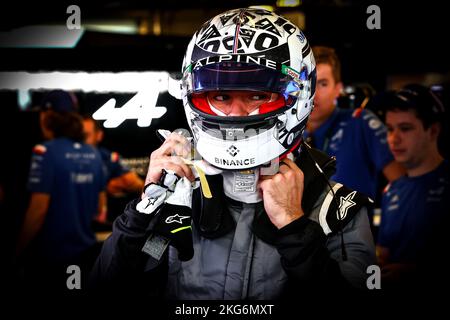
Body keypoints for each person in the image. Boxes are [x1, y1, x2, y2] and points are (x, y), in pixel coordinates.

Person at [90, 8, 376, 300]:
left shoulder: (336, 208)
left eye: (257, 96)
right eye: (221, 96)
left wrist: (295, 227)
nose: (237, 113)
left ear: (300, 95)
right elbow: (105, 289)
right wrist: (142, 210)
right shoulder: (177, 192)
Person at [16, 90, 106, 292]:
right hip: (87, 256)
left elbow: (37, 212)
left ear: (47, 116)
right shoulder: (93, 154)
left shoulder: (44, 152)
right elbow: (99, 209)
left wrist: (16, 252)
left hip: (51, 261)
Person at [303, 46, 404, 202]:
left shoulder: (360, 122)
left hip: (355, 225)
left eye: (322, 84)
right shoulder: (291, 133)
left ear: (338, 89)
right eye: (309, 83)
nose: (313, 93)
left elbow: (403, 183)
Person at [377, 84, 449, 291]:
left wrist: (415, 272)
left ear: (433, 130)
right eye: (390, 129)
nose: (394, 138)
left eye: (405, 128)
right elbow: (383, 254)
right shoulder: (392, 191)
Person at [82, 115, 144, 222]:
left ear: (99, 135)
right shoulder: (62, 157)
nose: (81, 141)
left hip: (103, 221)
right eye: (77, 136)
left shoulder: (108, 158)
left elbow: (135, 184)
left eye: (86, 135)